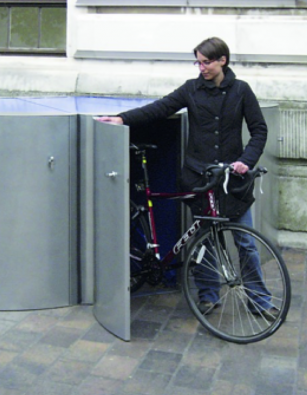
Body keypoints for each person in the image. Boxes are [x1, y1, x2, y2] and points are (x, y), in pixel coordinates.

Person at [99, 37, 278, 319]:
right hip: (199, 179)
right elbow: (160, 108)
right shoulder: (191, 89)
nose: (201, 67)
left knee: (246, 243)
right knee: (205, 241)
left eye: (206, 62)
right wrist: (122, 119)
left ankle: (258, 299)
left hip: (232, 182)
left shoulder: (242, 91)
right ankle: (208, 296)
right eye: (198, 61)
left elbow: (259, 130)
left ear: (223, 61)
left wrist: (245, 161)